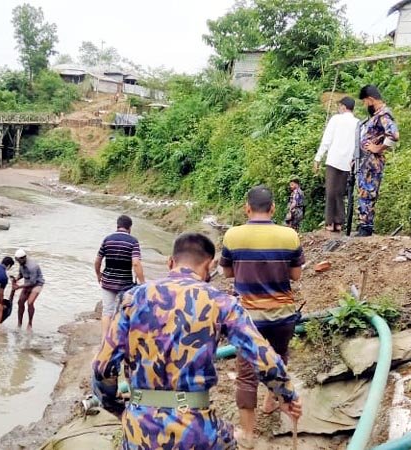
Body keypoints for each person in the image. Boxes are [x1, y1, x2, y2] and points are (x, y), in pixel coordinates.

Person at [92, 233, 302, 449]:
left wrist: (119, 410)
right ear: (210, 265)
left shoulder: (131, 299)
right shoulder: (222, 302)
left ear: (170, 262)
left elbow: (102, 367)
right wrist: (287, 397)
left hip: (139, 430)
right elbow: (262, 356)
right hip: (196, 431)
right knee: (230, 438)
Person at [220, 185, 304, 446]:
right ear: (273, 208)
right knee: (278, 357)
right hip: (283, 316)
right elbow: (296, 275)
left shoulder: (233, 236)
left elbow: (227, 274)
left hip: (248, 319)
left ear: (247, 208)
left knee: (246, 374)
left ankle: (247, 433)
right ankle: (271, 402)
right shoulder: (290, 235)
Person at [357, 85, 400, 237]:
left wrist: (379, 148)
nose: (364, 105)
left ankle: (366, 227)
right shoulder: (376, 115)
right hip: (366, 161)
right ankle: (363, 224)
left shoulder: (383, 115)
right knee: (364, 192)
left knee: (367, 192)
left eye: (364, 102)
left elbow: (394, 135)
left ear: (371, 100)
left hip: (372, 162)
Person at [95, 215, 145, 342]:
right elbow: (136, 263)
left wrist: (98, 274)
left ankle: (104, 341)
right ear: (130, 227)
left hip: (108, 281)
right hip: (126, 284)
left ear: (117, 226)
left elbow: (98, 260)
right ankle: (120, 339)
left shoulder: (107, 239)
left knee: (107, 311)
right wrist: (143, 282)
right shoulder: (133, 241)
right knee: (125, 310)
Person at [314, 96, 359, 232]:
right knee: (340, 192)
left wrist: (318, 158)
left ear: (343, 107)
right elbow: (358, 145)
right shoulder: (358, 123)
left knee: (330, 192)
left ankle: (329, 222)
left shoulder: (336, 119)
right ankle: (339, 222)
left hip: (333, 160)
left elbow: (327, 140)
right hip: (347, 162)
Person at [13, 248, 44, 330]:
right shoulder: (21, 263)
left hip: (37, 284)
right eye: (17, 260)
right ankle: (19, 323)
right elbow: (21, 274)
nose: (18, 262)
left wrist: (19, 287)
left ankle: (30, 323)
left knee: (30, 303)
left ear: (24, 258)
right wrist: (16, 279)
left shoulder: (32, 266)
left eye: (18, 260)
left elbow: (32, 282)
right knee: (20, 302)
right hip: (27, 283)